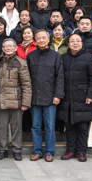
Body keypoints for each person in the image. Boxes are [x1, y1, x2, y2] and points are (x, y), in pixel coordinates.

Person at [58, 33, 92, 162]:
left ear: (82, 43)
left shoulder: (89, 57)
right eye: (72, 41)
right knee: (69, 126)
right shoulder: (63, 58)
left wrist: (91, 94)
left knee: (82, 127)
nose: (75, 43)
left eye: (78, 41)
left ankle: (81, 151)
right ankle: (70, 150)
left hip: (83, 97)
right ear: (68, 44)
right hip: (67, 97)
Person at [27, 30, 64, 162]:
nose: (41, 40)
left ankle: (49, 152)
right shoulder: (31, 56)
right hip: (35, 97)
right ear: (35, 40)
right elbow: (27, 78)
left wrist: (58, 95)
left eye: (44, 38)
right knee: (36, 126)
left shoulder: (55, 56)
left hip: (50, 97)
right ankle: (37, 151)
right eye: (39, 38)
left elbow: (60, 77)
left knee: (49, 126)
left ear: (48, 40)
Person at [0, 38, 31, 161]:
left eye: (11, 46)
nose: (8, 48)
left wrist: (26, 102)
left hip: (16, 101)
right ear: (3, 49)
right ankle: (2, 150)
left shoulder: (21, 63)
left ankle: (17, 150)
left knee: (16, 128)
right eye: (6, 46)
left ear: (15, 48)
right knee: (2, 127)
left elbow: (26, 84)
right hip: (1, 100)